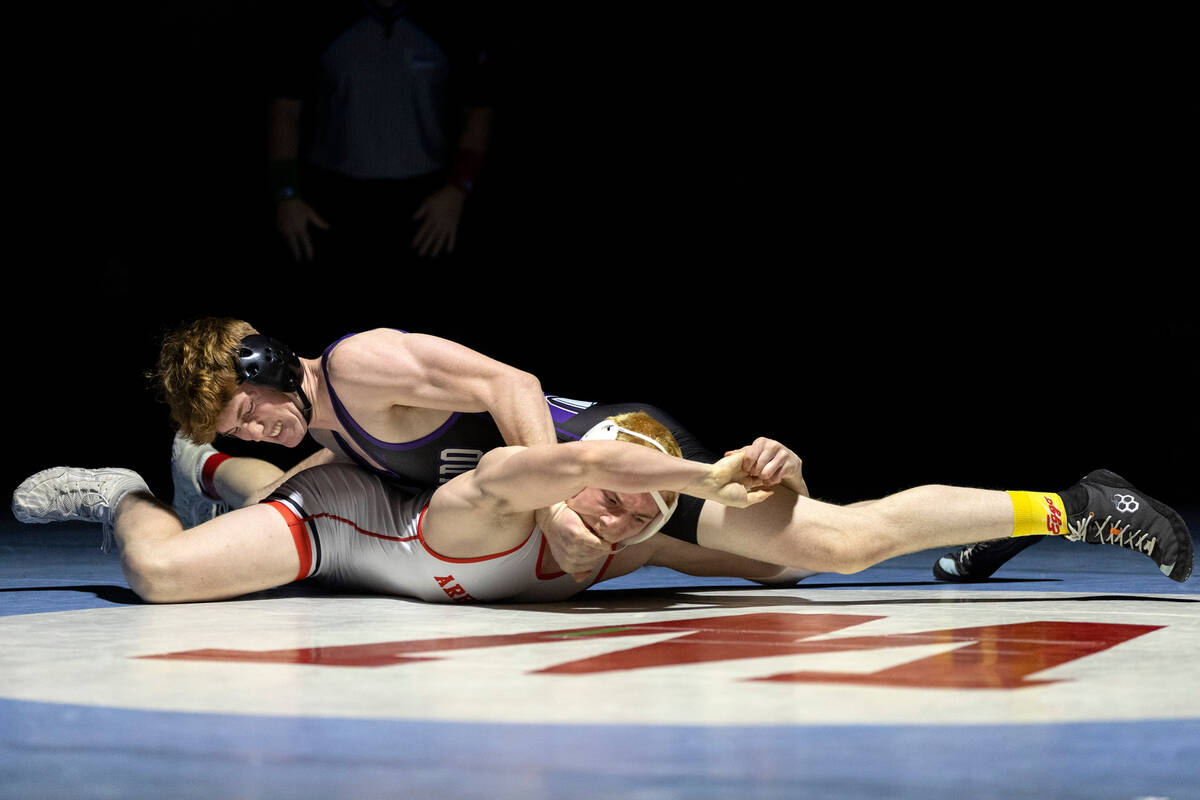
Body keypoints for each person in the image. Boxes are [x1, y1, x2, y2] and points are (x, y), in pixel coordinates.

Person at [152, 318, 1193, 585]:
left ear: (265, 357)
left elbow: (511, 384)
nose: (251, 425)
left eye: (242, 404)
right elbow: (304, 482)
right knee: (790, 561)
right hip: (577, 486)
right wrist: (221, 480)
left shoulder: (367, 360)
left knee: (832, 543)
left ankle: (1082, 501)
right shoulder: (324, 422)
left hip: (610, 455)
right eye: (230, 431)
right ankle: (983, 543)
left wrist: (559, 498)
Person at [11, 413, 810, 603]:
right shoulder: (507, 484)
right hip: (347, 522)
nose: (616, 524)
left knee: (261, 491)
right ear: (571, 476)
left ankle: (212, 463)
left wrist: (791, 483)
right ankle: (123, 491)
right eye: (609, 500)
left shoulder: (637, 543)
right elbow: (558, 461)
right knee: (159, 569)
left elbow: (776, 567)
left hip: (390, 526)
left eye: (645, 515)